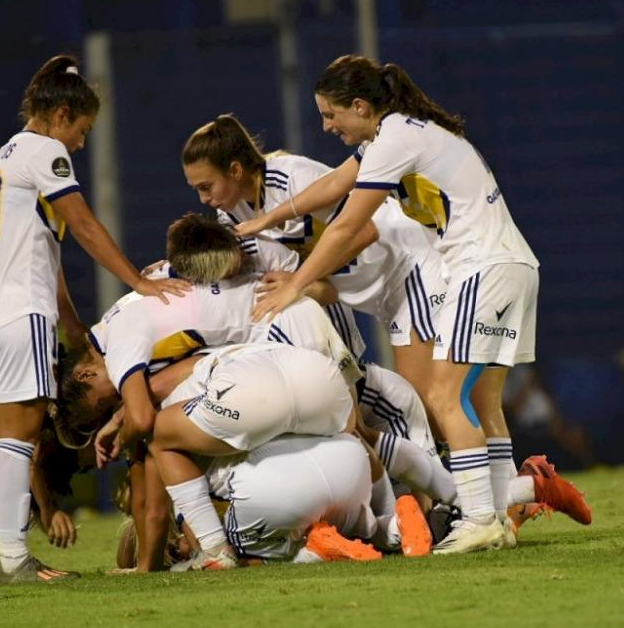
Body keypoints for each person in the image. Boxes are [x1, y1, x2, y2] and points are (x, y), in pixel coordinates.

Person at [252, 55, 591, 554]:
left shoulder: (395, 139)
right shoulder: (399, 133)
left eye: (330, 115)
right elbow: (332, 185)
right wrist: (268, 219)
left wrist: (297, 283)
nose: (326, 126)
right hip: (509, 266)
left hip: (482, 268)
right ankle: (498, 514)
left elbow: (346, 224)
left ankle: (479, 519)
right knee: (481, 402)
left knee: (442, 398)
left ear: (361, 106)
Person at [0, 54, 190, 585]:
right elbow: (83, 225)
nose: (81, 143)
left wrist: (74, 324)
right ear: (61, 115)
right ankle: (16, 560)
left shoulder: (5, 155)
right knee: (21, 435)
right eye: (82, 130)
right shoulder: (46, 152)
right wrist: (139, 281)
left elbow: (46, 254)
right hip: (20, 312)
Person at [190, 114, 448, 437]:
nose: (203, 198)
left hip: (408, 268)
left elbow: (363, 232)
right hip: (374, 290)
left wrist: (299, 282)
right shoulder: (230, 212)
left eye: (206, 186)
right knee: (426, 408)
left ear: (236, 171)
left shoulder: (292, 177)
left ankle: (491, 481)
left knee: (433, 406)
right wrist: (172, 270)